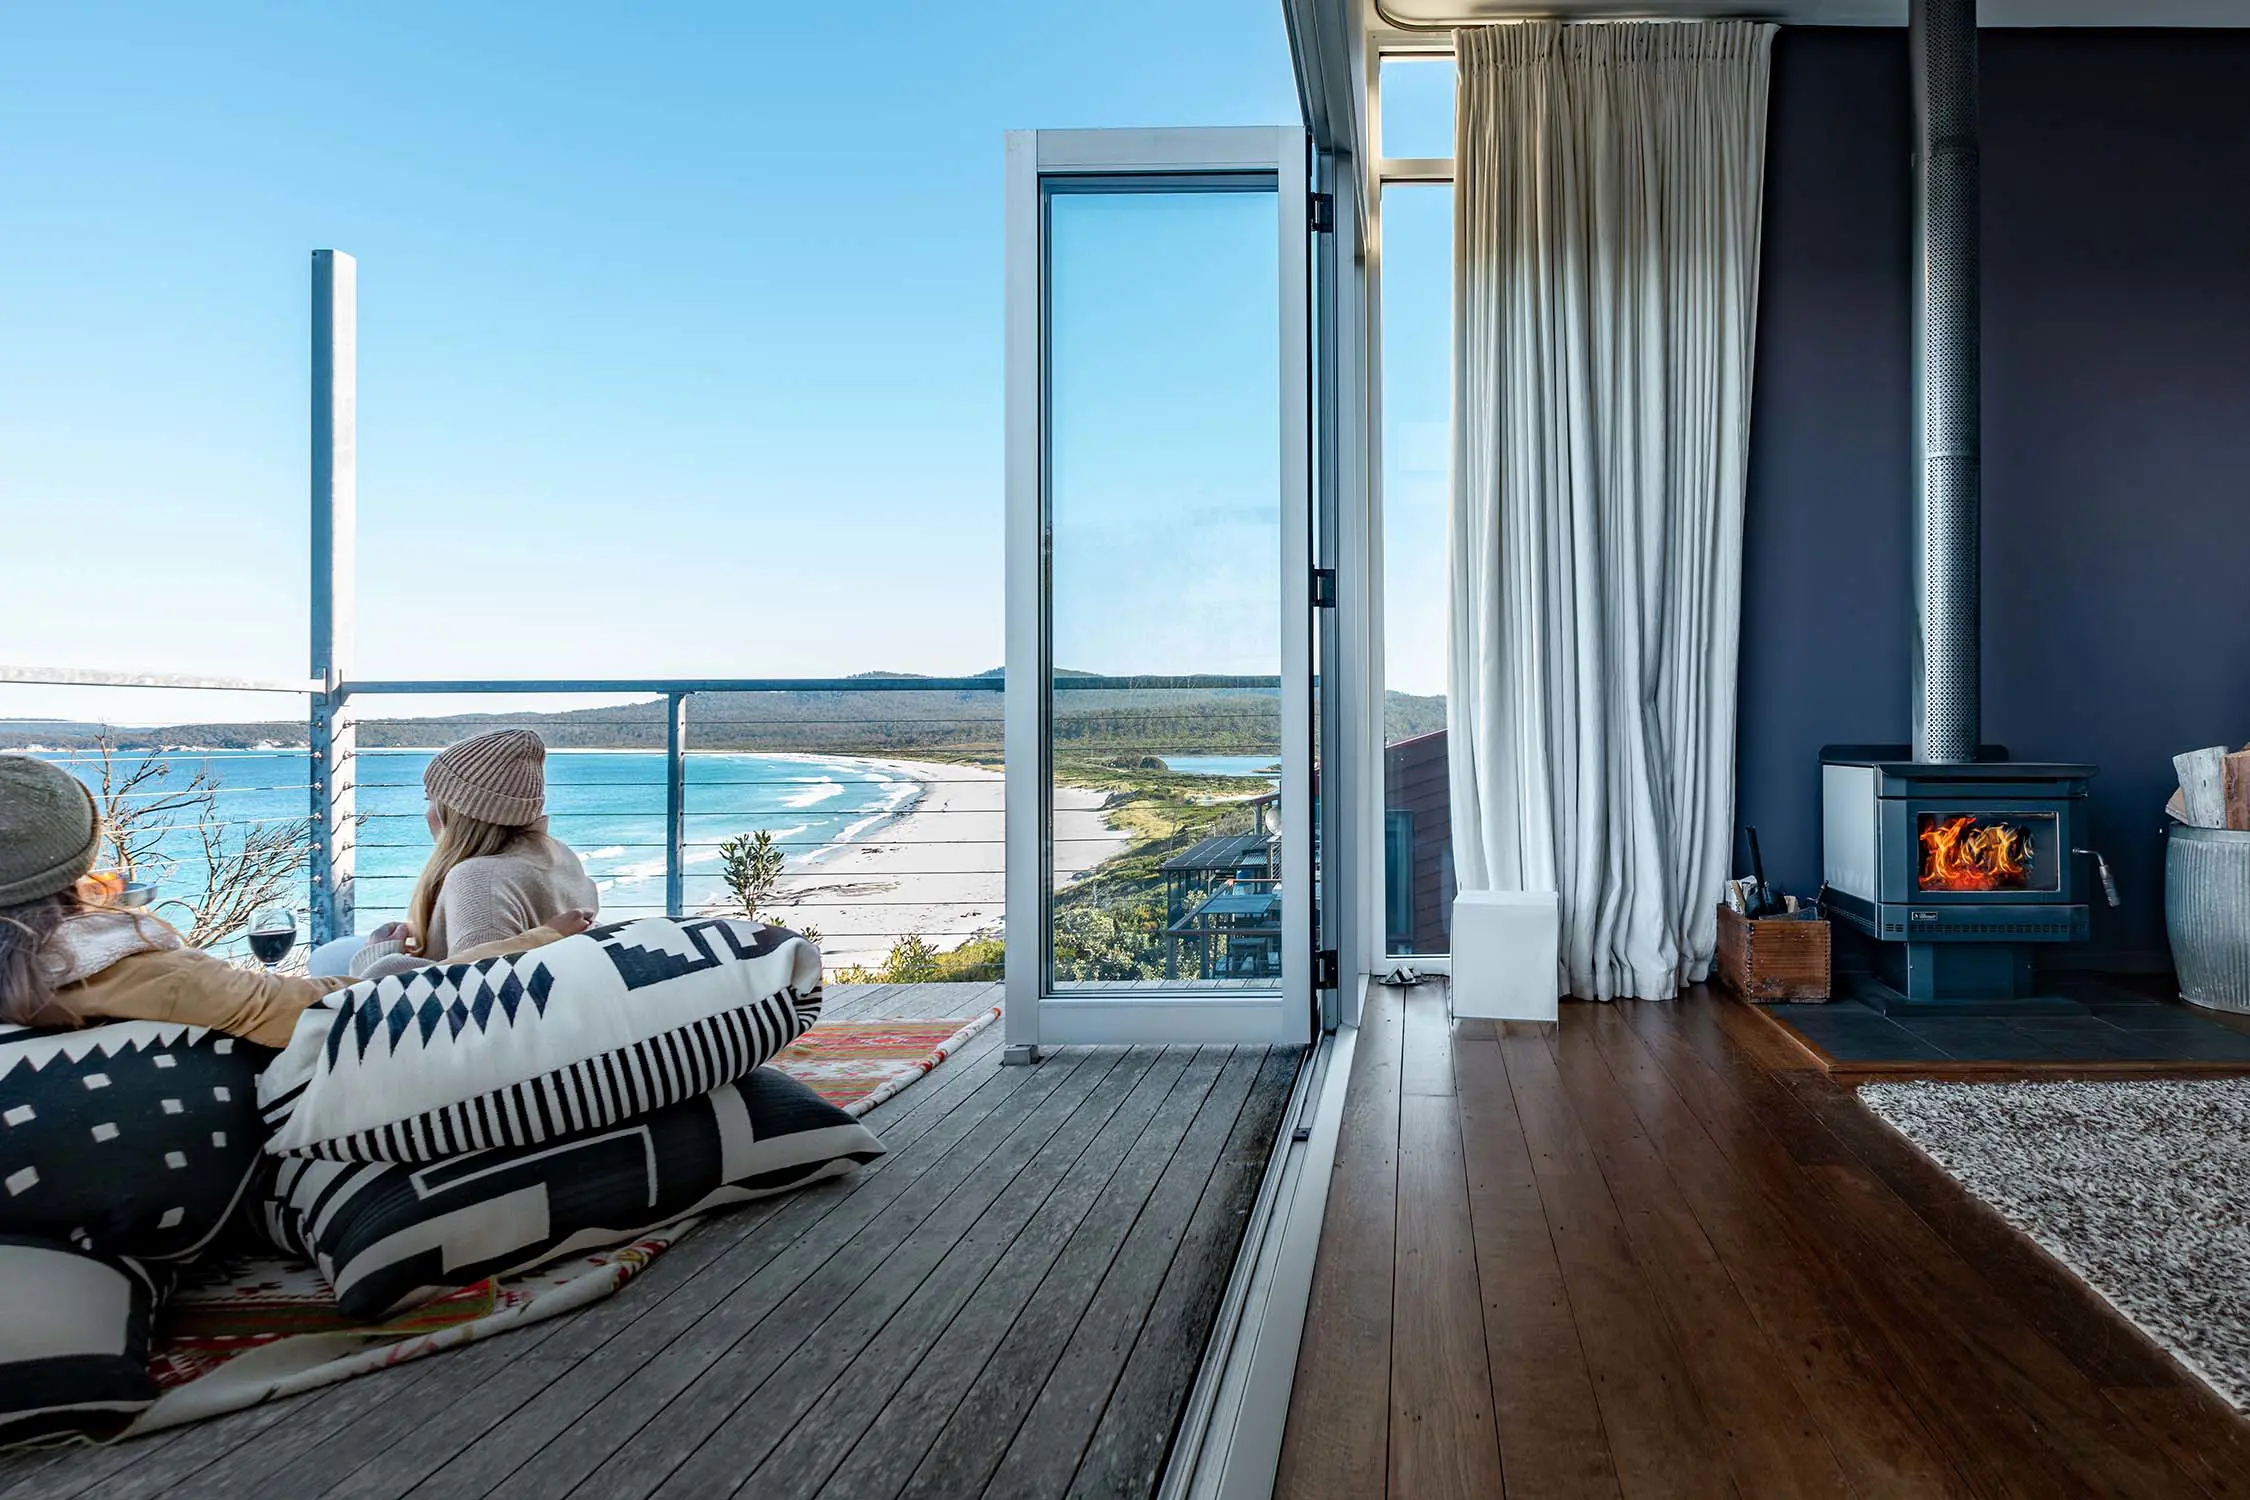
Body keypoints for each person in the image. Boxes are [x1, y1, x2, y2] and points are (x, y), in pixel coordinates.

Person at [0, 754, 583, 1048]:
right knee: (337, 959)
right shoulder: (148, 977)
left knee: (333, 952)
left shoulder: (31, 972)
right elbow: (349, 1008)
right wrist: (541, 939)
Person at [340, 728, 599, 981]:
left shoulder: (478, 879)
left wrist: (378, 957)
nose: (427, 814)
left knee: (331, 959)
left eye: (429, 800)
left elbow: (475, 989)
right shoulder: (559, 854)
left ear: (455, 811)